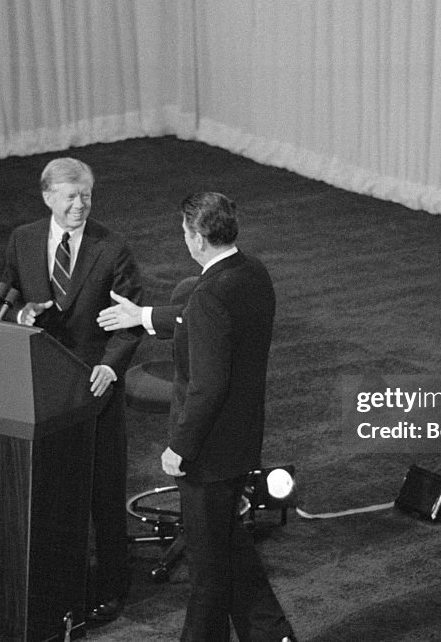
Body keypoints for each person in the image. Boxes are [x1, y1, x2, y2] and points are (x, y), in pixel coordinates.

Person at [98, 192, 297, 642]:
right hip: (240, 441)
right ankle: (272, 634)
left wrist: (178, 448)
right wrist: (145, 315)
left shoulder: (208, 295)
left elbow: (208, 386)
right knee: (231, 546)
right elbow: (201, 318)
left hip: (205, 454)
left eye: (185, 232)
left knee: (208, 575)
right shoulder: (252, 272)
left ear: (198, 239)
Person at [0, 157, 143, 623]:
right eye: (70, 196)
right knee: (52, 487)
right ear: (48, 197)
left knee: (102, 489)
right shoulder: (22, 239)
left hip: (95, 385)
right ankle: (61, 582)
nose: (80, 205)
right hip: (42, 384)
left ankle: (112, 585)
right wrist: (20, 315)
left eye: (86, 196)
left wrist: (110, 367)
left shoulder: (112, 247)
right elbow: (10, 292)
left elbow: (131, 319)